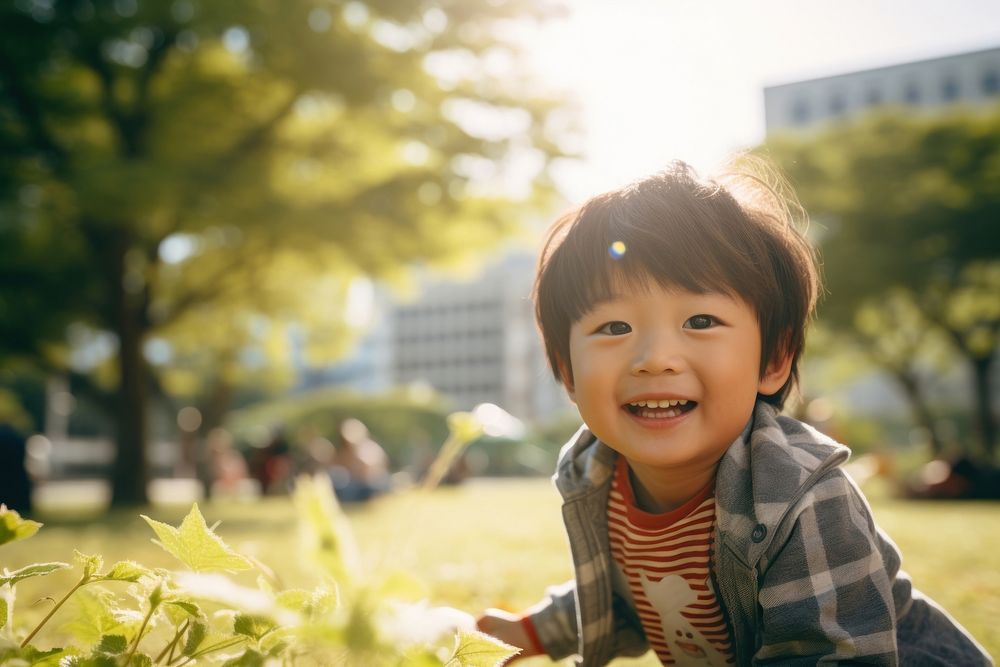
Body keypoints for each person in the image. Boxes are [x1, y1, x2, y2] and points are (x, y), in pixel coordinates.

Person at [475, 161, 992, 665]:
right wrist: (529, 632)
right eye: (613, 328)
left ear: (772, 359)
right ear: (566, 370)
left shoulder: (800, 496)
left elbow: (826, 654)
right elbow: (629, 594)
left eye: (700, 320)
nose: (656, 358)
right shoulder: (599, 474)